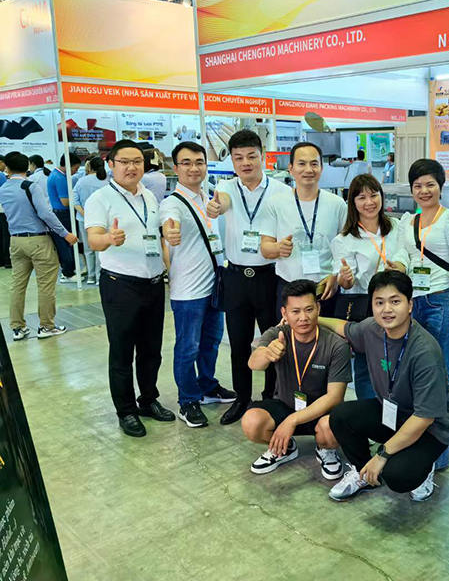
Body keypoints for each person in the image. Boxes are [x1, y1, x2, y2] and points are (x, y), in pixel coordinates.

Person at [320, 270, 449, 503]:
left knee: (397, 475)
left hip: (430, 429)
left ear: (410, 305)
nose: (387, 310)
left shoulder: (424, 350)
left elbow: (424, 418)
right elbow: (344, 327)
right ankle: (362, 473)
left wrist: (382, 455)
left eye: (395, 302)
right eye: (379, 302)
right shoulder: (372, 329)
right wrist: (313, 318)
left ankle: (425, 470)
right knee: (341, 416)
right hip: (394, 413)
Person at [85, 139, 174, 438]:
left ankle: (148, 400)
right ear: (111, 164)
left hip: (153, 284)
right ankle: (126, 411)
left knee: (151, 350)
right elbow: (93, 239)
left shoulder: (149, 195)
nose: (131, 167)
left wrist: (168, 269)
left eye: (137, 161)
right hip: (120, 285)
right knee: (122, 353)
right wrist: (109, 239)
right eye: (124, 162)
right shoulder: (100, 199)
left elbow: (157, 237)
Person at [206, 129, 293, 425]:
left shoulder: (281, 191)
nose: (245, 163)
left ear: (262, 156)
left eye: (251, 156)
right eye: (238, 157)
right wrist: (216, 207)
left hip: (270, 277)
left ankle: (271, 397)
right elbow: (221, 204)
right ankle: (242, 398)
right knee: (239, 342)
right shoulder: (226, 187)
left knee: (274, 341)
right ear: (232, 160)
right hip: (236, 278)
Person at [398, 158, 449, 470]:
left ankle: (438, 452)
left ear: (440, 186)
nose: (424, 191)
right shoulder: (408, 222)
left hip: (442, 300)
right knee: (422, 375)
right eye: (418, 185)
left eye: (430, 184)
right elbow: (404, 255)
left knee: (441, 375)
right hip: (414, 303)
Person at [160, 141, 236, 428]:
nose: (194, 168)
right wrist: (170, 232)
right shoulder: (172, 203)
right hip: (188, 291)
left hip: (214, 287)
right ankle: (188, 400)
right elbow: (169, 222)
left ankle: (206, 386)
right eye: (187, 163)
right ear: (176, 167)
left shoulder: (208, 197)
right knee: (187, 347)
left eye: (199, 162)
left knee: (211, 343)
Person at [243, 279, 351, 480]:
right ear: (284, 313)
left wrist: (291, 421)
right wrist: (266, 353)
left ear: (318, 308)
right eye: (295, 311)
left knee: (330, 428)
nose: (303, 318)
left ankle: (326, 449)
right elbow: (253, 364)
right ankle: (285, 448)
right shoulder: (277, 335)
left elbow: (335, 397)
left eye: (309, 310)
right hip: (286, 405)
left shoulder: (336, 345)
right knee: (251, 422)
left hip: (321, 412)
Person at [330, 174, 408, 400]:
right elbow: (346, 283)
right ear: (352, 203)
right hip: (366, 309)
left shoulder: (397, 226)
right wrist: (345, 278)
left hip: (397, 305)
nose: (369, 202)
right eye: (361, 197)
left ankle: (397, 412)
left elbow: (406, 254)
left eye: (373, 195)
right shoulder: (344, 239)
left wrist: (400, 265)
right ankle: (370, 411)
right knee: (366, 367)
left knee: (399, 362)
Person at [262, 142, 347, 317]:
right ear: (291, 168)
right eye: (302, 164)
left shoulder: (337, 204)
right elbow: (265, 248)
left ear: (321, 168)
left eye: (314, 164)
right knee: (289, 334)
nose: (308, 169)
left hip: (326, 288)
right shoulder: (275, 203)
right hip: (289, 288)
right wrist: (278, 248)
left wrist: (336, 275)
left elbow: (346, 248)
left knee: (328, 334)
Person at [0, 152, 77, 340]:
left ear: (7, 168)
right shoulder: (31, 187)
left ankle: (17, 328)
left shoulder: (3, 189)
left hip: (15, 240)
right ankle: (46, 326)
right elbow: (46, 214)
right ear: (27, 166)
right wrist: (65, 234)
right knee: (46, 285)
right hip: (38, 240)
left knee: (17, 285)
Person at [73, 156, 108, 285]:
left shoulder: (81, 181)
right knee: (100, 248)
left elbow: (74, 200)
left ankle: (91, 276)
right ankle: (99, 277)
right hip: (102, 220)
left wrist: (84, 214)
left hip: (84, 220)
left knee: (88, 249)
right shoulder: (107, 182)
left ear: (90, 167)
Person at [47, 152, 81, 281]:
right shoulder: (60, 178)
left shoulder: (56, 174)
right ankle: (68, 273)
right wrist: (77, 199)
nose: (76, 171)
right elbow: (65, 202)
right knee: (67, 243)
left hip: (60, 213)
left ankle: (69, 270)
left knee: (66, 243)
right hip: (63, 214)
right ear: (68, 165)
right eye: (75, 168)